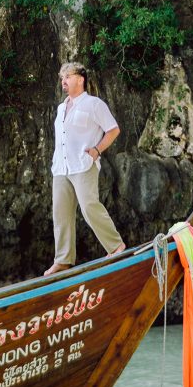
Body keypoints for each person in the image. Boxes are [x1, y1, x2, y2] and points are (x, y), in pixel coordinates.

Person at [45, 62, 126, 276]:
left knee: (89, 206)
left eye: (68, 77)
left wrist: (97, 150)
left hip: (83, 165)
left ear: (80, 79)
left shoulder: (94, 104)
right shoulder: (62, 107)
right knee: (60, 213)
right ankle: (63, 260)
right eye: (62, 77)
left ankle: (116, 247)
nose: (64, 81)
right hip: (61, 167)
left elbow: (113, 129)